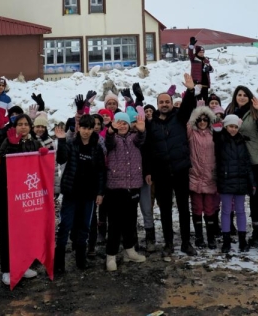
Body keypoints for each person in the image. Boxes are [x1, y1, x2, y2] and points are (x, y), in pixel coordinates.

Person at [143, 73, 196, 257]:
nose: (165, 104)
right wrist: (148, 170)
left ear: (172, 103)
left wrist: (190, 90)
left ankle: (186, 243)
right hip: (161, 172)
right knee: (165, 210)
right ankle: (168, 243)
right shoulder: (152, 124)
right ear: (157, 105)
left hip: (180, 169)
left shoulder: (180, 117)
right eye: (161, 102)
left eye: (167, 101)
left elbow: (189, 105)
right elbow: (148, 149)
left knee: (183, 208)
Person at [0, 113, 45, 285]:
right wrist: (13, 148)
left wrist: (44, 157)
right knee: (8, 234)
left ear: (30, 126)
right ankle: (7, 269)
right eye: (20, 124)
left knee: (24, 233)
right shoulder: (7, 142)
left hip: (26, 196)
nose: (23, 127)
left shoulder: (34, 143)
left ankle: (23, 264)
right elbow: (0, 169)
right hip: (9, 196)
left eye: (26, 124)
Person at [55, 114, 107, 272]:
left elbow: (100, 171)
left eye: (89, 128)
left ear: (93, 130)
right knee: (65, 225)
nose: (86, 131)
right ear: (79, 128)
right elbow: (61, 159)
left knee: (84, 226)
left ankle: (80, 259)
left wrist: (100, 192)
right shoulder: (71, 143)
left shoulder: (96, 147)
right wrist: (61, 140)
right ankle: (58, 263)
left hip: (88, 194)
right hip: (71, 192)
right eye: (84, 128)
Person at [225, 85, 258, 248]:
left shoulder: (254, 111)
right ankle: (256, 230)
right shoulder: (230, 111)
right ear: (235, 97)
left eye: (245, 95)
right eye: (239, 94)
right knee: (252, 196)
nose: (242, 97)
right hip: (244, 161)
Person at [103, 110, 148, 271]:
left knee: (130, 221)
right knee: (115, 223)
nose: (122, 126)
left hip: (133, 185)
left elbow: (141, 138)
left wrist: (141, 129)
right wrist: (111, 130)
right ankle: (111, 255)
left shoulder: (134, 138)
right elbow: (108, 142)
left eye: (124, 123)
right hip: (115, 187)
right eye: (119, 123)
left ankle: (130, 250)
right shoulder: (112, 138)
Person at [214, 114, 253, 254]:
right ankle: (226, 240)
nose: (233, 129)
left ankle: (242, 239)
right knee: (226, 211)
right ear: (226, 126)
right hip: (225, 180)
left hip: (241, 180)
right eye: (231, 126)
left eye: (236, 127)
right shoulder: (221, 140)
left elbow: (247, 162)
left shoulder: (242, 141)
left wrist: (251, 181)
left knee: (241, 210)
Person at [187, 105, 220, 249]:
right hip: (195, 174)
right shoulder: (191, 134)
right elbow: (188, 123)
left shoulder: (214, 134)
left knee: (210, 208)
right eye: (199, 119)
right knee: (196, 207)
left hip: (210, 175)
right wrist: (195, 112)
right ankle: (199, 237)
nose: (202, 122)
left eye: (205, 119)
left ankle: (211, 237)